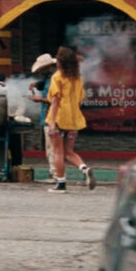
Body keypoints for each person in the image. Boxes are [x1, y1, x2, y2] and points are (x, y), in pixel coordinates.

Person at [46, 46, 94, 193]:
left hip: (59, 119)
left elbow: (55, 101)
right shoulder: (78, 77)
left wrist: (53, 122)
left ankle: (61, 184)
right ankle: (84, 169)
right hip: (73, 120)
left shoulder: (57, 77)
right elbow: (80, 98)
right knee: (69, 151)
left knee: (58, 152)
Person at [28, 53, 58, 181]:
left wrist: (39, 99)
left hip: (52, 117)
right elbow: (45, 85)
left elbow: (55, 99)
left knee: (52, 148)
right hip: (49, 117)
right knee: (53, 148)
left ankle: (55, 174)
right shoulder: (50, 77)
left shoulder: (55, 78)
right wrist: (36, 84)